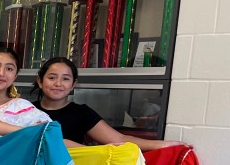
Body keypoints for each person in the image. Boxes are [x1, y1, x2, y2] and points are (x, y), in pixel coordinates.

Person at [32, 56, 182, 149]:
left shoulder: (81, 113)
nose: (58, 84)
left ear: (73, 85)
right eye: (52, 78)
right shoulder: (26, 110)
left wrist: (162, 145)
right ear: (40, 81)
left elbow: (120, 139)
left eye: (65, 79)